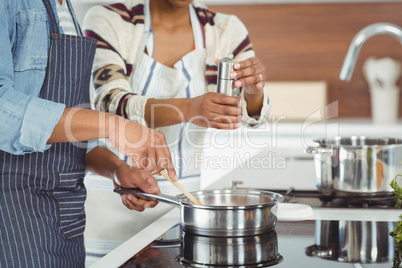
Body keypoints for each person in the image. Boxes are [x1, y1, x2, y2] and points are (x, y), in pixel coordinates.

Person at [0, 0, 177, 267]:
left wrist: (117, 170)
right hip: (14, 216)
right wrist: (112, 124)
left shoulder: (66, 9)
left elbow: (73, 124)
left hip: (64, 219)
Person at [83, 0, 270, 203]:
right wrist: (188, 109)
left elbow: (250, 118)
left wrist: (253, 92)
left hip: (184, 197)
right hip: (114, 191)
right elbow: (109, 102)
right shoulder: (109, 19)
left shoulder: (226, 30)